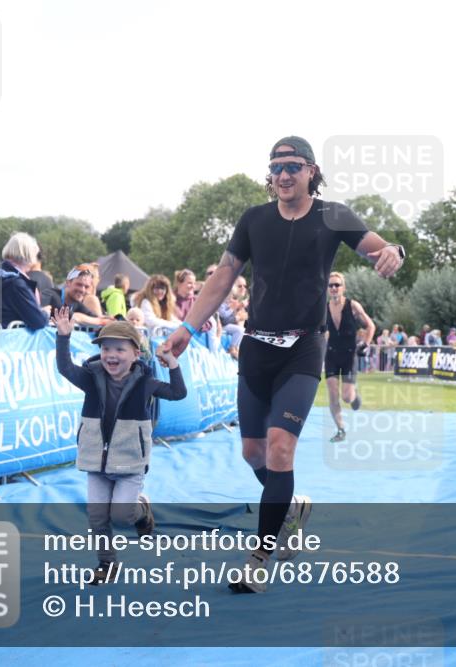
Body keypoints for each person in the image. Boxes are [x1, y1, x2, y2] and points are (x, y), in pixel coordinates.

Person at [159, 136, 404, 593]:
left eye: (293, 166)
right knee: (253, 453)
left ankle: (260, 557)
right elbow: (223, 277)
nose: (284, 174)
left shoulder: (333, 216)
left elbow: (378, 248)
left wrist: (396, 251)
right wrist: (186, 330)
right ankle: (289, 508)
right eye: (276, 167)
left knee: (279, 448)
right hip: (256, 347)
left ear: (312, 170)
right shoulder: (253, 220)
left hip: (304, 349)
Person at [54, 310, 186, 581]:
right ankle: (107, 564)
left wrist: (172, 363)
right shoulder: (90, 377)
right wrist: (63, 337)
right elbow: (65, 368)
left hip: (129, 462)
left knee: (122, 515)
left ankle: (142, 511)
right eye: (105, 348)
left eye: (119, 349)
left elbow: (177, 393)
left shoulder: (146, 383)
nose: (110, 355)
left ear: (136, 354)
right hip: (96, 460)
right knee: (97, 516)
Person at [324, 271, 376, 443]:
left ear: (343, 287)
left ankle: (355, 397)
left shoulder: (353, 306)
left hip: (349, 355)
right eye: (330, 285)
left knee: (346, 397)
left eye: (337, 285)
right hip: (331, 354)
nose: (333, 288)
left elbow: (371, 326)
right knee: (332, 393)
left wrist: (366, 344)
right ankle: (341, 430)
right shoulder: (323, 309)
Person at [0, 233, 49, 329]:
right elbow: (38, 321)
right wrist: (45, 313)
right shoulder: (16, 284)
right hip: (8, 339)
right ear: (29, 256)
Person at [43, 264, 114, 328]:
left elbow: (94, 317)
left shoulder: (76, 303)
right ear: (68, 283)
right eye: (79, 284)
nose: (82, 290)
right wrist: (101, 322)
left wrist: (109, 319)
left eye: (86, 287)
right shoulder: (51, 295)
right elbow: (74, 317)